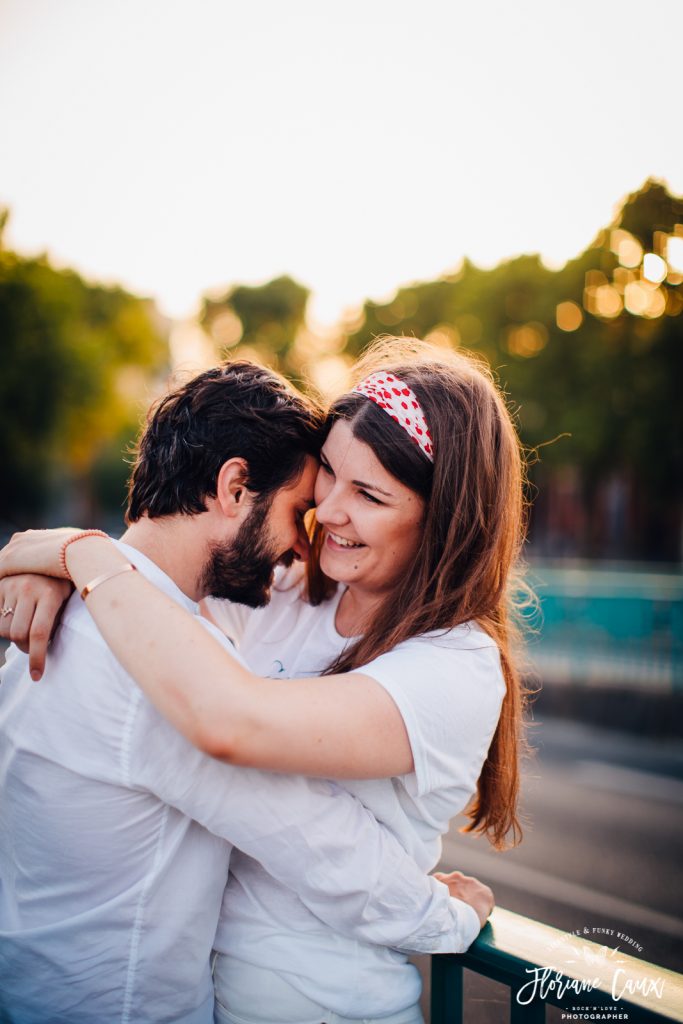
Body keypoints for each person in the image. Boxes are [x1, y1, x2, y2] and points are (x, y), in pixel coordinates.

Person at [0, 358, 494, 1024]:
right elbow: (314, 836)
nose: (314, 522)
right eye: (310, 496)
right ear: (234, 488)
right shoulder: (159, 661)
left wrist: (70, 555)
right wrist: (443, 918)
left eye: (367, 494)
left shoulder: (110, 619)